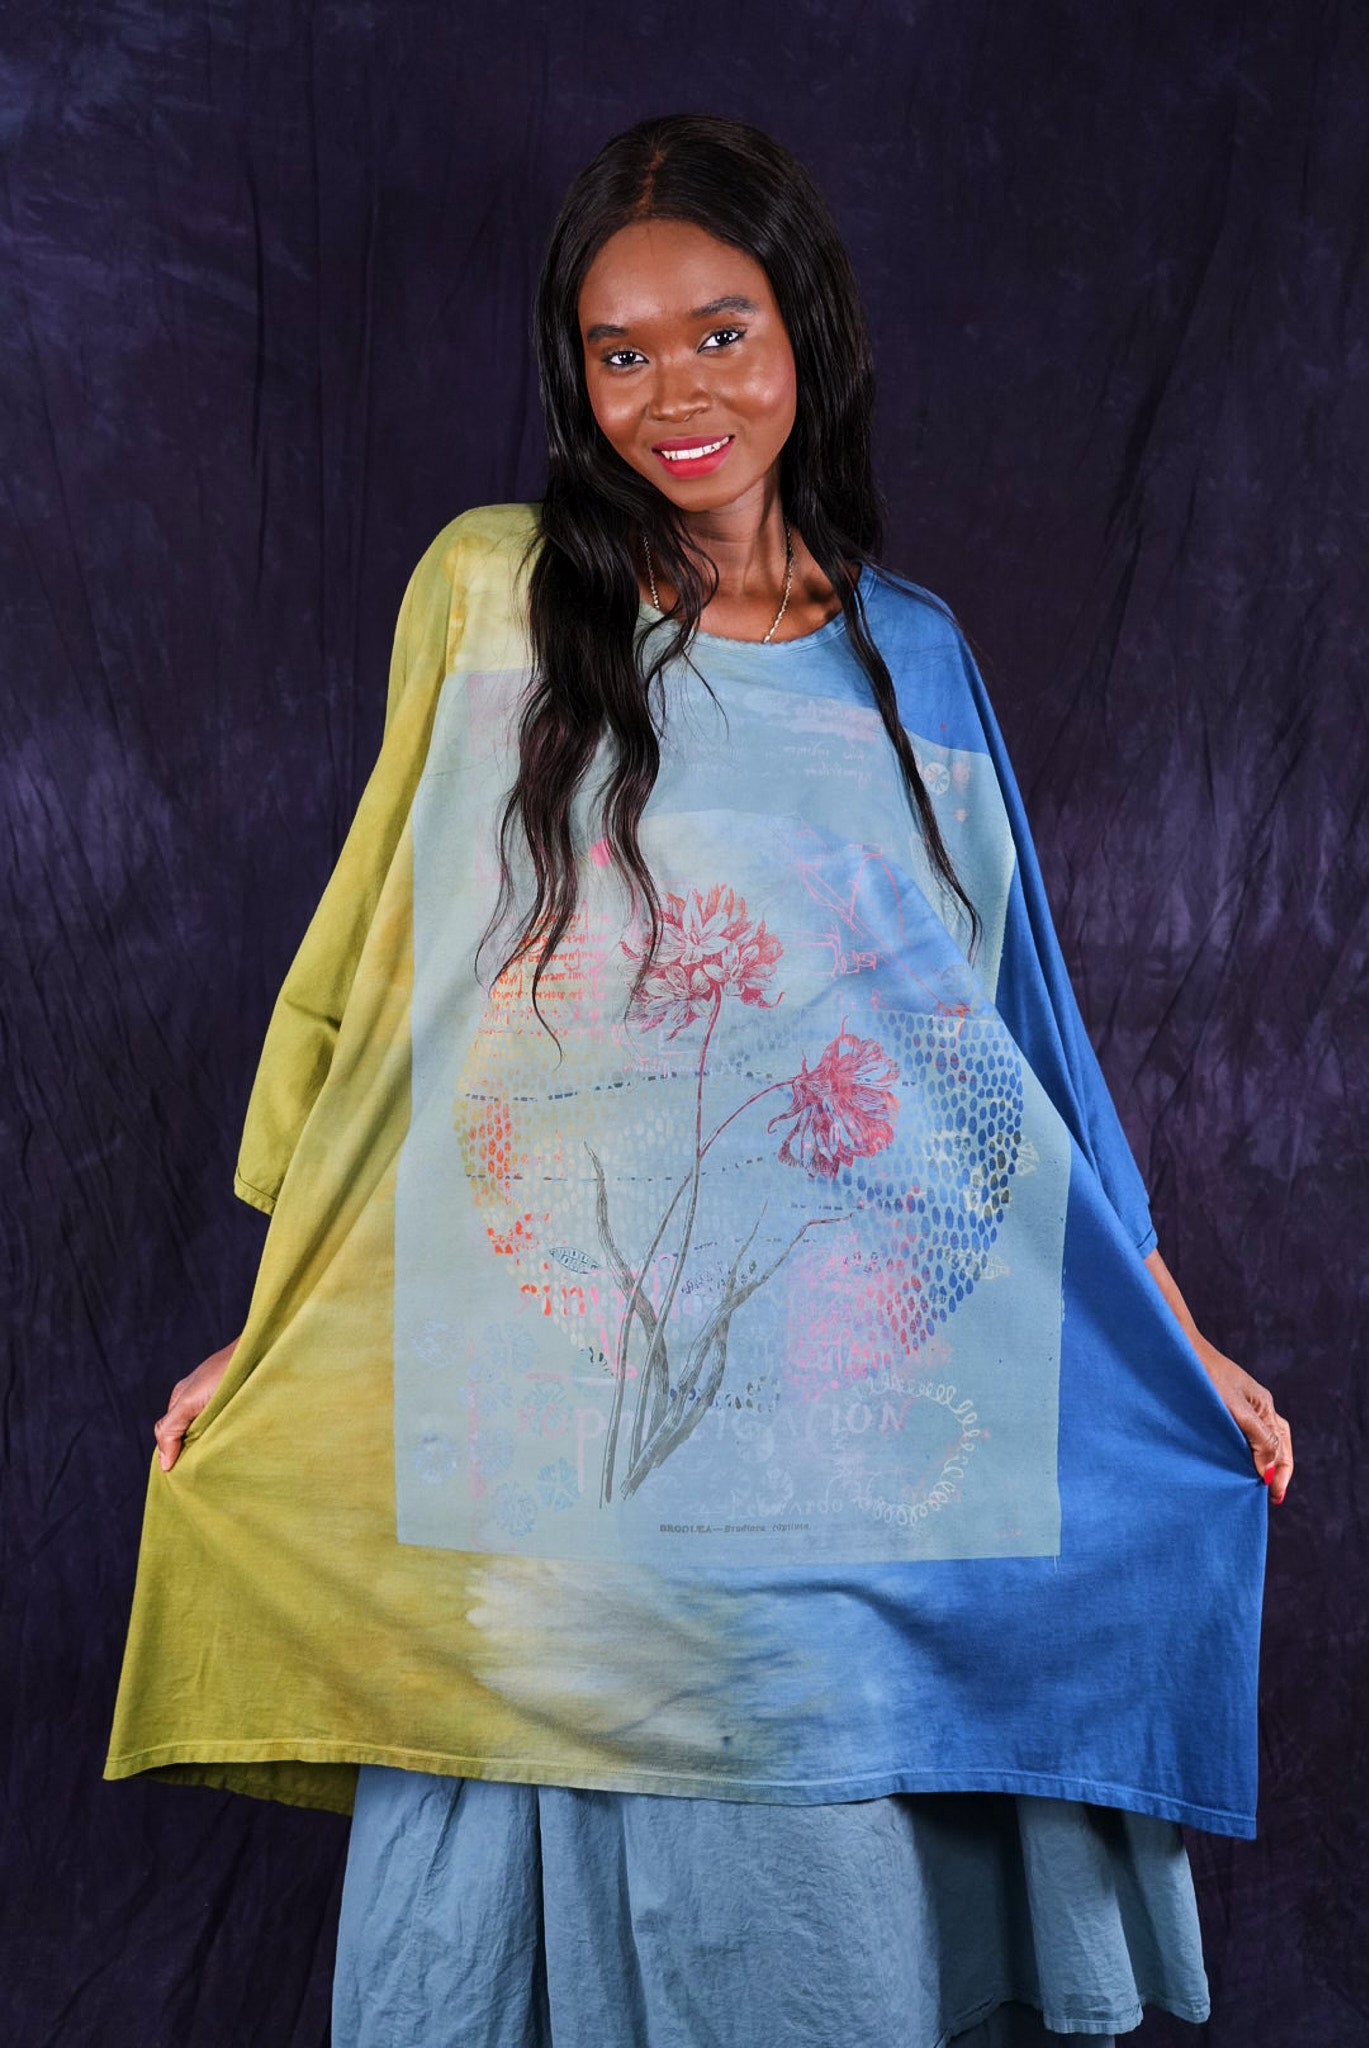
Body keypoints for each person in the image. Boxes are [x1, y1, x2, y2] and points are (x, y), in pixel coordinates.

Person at [115, 116, 1292, 2046]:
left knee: (810, 1920)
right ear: (574, 376)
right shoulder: (492, 600)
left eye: (721, 333)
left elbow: (1016, 1040)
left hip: (835, 1448)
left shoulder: (916, 664)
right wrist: (284, 1324)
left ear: (804, 332)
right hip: (550, 1441)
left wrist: (1173, 1335)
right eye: (621, 351)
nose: (676, 395)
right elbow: (383, 991)